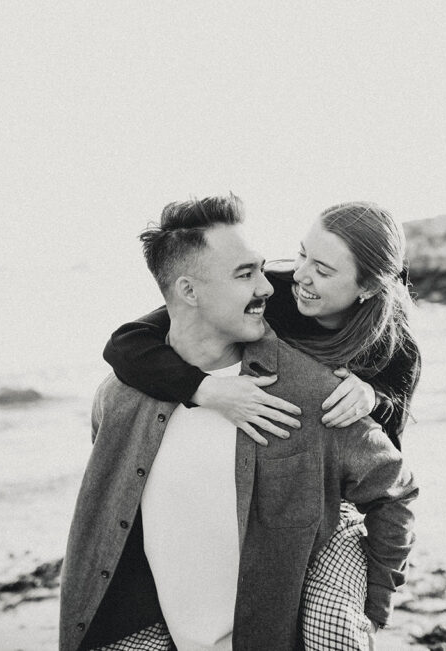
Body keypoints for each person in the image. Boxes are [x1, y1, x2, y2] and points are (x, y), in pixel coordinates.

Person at [59, 195, 418, 651]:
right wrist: (203, 389)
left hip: (335, 503)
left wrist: (371, 394)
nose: (297, 277)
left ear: (367, 287)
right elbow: (131, 340)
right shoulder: (282, 291)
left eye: (323, 270)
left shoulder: (393, 350)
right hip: (201, 568)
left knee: (333, 627)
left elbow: (389, 475)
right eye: (302, 254)